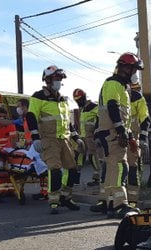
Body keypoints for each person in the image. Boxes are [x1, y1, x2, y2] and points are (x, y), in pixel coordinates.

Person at [90, 52, 143, 218]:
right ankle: (120, 205)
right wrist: (121, 131)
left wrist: (128, 135)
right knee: (120, 166)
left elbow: (120, 113)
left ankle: (109, 202)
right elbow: (113, 107)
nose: (135, 74)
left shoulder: (120, 86)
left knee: (112, 168)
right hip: (112, 133)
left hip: (112, 133)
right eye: (134, 70)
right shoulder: (114, 83)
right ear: (126, 68)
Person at [25, 65, 83, 214]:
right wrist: (35, 138)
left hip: (65, 139)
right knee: (55, 169)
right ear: (48, 80)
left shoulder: (63, 99)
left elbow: (67, 121)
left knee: (72, 169)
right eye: (56, 79)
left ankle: (66, 197)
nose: (59, 81)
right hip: (49, 139)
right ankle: (54, 200)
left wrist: (76, 137)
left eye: (60, 79)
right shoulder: (38, 97)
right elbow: (31, 116)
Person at [15, 98, 48, 200]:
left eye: (19, 106)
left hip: (37, 146)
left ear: (25, 107)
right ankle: (44, 191)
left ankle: (46, 191)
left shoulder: (31, 116)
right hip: (32, 146)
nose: (17, 109)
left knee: (43, 168)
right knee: (41, 169)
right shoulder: (25, 119)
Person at [127, 76, 151, 206]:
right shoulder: (118, 97)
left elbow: (145, 119)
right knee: (127, 168)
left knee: (133, 167)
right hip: (124, 137)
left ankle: (132, 198)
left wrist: (143, 137)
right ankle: (126, 199)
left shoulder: (137, 99)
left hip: (131, 138)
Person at [72, 88, 101, 187]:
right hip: (83, 137)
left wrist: (97, 134)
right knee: (79, 156)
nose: (78, 102)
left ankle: (98, 179)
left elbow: (99, 120)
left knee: (93, 156)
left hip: (91, 136)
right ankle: (75, 179)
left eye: (79, 100)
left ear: (84, 97)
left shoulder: (95, 107)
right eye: (76, 100)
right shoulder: (82, 109)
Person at [0, 105, 17, 197]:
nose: (2, 118)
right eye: (0, 116)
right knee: (0, 170)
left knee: (10, 170)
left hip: (7, 151)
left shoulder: (9, 124)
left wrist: (12, 150)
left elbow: (13, 138)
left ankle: (11, 189)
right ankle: (3, 189)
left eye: (3, 116)